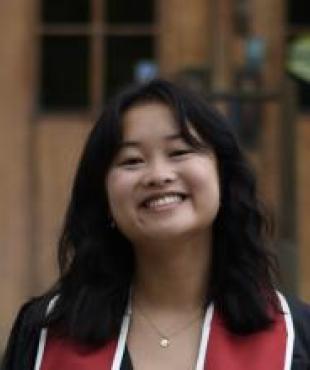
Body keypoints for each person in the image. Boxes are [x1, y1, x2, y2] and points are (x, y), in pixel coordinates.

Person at [2, 79, 310, 370]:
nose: (158, 175)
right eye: (132, 161)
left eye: (179, 152)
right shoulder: (46, 333)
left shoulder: (294, 336)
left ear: (223, 179)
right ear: (104, 196)